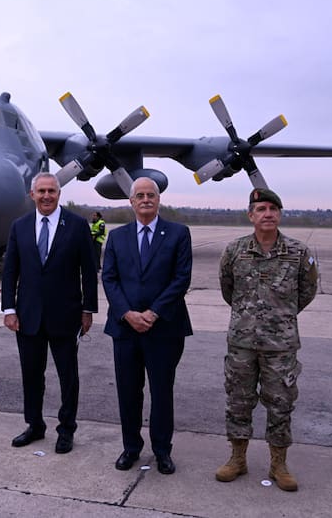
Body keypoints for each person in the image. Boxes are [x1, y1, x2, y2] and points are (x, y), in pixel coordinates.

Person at [216, 188, 318, 491]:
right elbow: (227, 289)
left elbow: (307, 291)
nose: (268, 214)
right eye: (261, 208)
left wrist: (280, 317)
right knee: (238, 401)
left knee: (281, 403)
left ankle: (279, 463)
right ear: (251, 215)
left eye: (273, 208)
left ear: (280, 214)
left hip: (281, 346)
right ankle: (237, 458)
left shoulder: (299, 252)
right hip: (242, 343)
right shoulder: (235, 251)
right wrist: (249, 317)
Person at [1, 172, 98, 454]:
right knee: (31, 375)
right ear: (32, 195)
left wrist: (88, 309)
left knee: (68, 376)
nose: (46, 196)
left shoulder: (78, 226)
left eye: (51, 191)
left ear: (59, 194)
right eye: (41, 191)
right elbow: (10, 272)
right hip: (27, 316)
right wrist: (9, 309)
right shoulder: (19, 227)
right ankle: (35, 424)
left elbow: (89, 272)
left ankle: (66, 428)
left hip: (65, 315)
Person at [102, 177, 192, 475]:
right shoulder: (117, 236)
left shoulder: (178, 233)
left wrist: (153, 313)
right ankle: (131, 448)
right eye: (139, 195)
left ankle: (162, 451)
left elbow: (181, 279)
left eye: (150, 195)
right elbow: (110, 279)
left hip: (164, 328)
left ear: (158, 200)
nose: (145, 199)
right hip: (125, 329)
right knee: (128, 391)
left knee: (162, 392)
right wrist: (127, 313)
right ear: (131, 201)